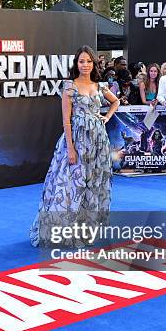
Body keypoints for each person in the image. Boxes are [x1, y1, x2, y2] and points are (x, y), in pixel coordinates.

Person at [30, 45, 119, 247]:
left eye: (88, 61)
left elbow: (115, 102)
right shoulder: (69, 87)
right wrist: (70, 148)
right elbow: (66, 120)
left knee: (95, 183)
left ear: (93, 63)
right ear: (76, 64)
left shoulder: (100, 86)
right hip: (77, 140)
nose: (85, 64)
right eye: (81, 61)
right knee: (70, 185)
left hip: (98, 141)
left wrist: (106, 117)